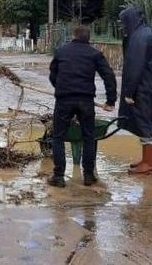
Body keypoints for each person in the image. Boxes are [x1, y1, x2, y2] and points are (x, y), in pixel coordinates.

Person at [48, 25, 117, 187]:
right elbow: (109, 76)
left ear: (72, 36)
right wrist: (110, 101)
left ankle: (58, 177)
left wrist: (60, 87)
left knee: (57, 137)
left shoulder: (61, 51)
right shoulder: (95, 54)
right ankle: (88, 176)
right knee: (89, 137)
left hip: (64, 100)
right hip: (86, 101)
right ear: (88, 39)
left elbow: (53, 74)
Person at [118, 7, 152, 175]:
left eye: (124, 22)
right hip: (146, 86)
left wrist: (129, 92)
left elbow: (135, 66)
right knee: (144, 122)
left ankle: (150, 163)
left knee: (145, 123)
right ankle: (146, 160)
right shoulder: (143, 33)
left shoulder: (140, 37)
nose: (123, 26)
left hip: (142, 88)